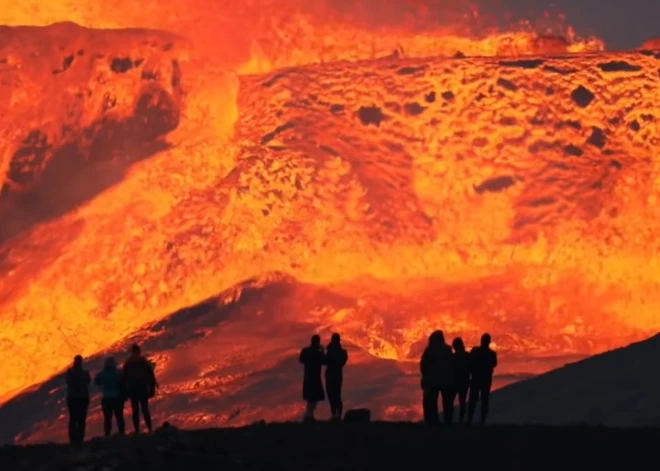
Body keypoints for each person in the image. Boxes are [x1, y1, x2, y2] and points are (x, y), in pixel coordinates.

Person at [419, 330, 454, 425]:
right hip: (446, 380)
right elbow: (452, 363)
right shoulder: (447, 349)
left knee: (431, 403)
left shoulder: (429, 350)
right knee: (447, 403)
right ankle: (448, 421)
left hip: (432, 381)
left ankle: (433, 421)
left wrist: (425, 376)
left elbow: (423, 365)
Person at [122, 344, 157, 434]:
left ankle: (138, 430)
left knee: (136, 410)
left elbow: (124, 378)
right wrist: (152, 387)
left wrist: (125, 391)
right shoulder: (143, 362)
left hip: (134, 389)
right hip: (141, 389)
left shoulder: (128, 363)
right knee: (143, 409)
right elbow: (150, 375)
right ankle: (149, 429)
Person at [467, 333, 498, 425]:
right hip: (486, 380)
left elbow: (470, 362)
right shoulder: (492, 354)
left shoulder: (475, 351)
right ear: (489, 342)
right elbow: (494, 364)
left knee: (473, 400)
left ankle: (469, 420)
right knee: (484, 401)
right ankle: (482, 421)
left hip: (476, 379)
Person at [94, 356, 126, 436]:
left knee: (108, 418)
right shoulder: (119, 372)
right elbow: (124, 381)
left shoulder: (103, 373)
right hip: (117, 398)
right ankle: (122, 434)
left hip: (107, 398)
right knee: (119, 417)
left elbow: (96, 381)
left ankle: (107, 435)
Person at [299, 335, 326, 421]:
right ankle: (309, 415)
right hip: (315, 378)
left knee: (310, 398)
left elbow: (301, 359)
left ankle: (309, 415)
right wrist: (323, 351)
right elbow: (324, 361)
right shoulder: (318, 353)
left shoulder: (305, 351)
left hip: (308, 377)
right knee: (314, 398)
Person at [65, 355, 91, 445]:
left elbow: (68, 381)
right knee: (81, 420)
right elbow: (88, 381)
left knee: (73, 419)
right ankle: (79, 439)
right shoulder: (85, 373)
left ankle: (73, 440)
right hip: (83, 398)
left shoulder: (70, 373)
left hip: (73, 399)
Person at [325, 333, 348, 420]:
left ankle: (336, 414)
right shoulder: (340, 352)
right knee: (333, 395)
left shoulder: (339, 352)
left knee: (334, 395)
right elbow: (325, 361)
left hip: (333, 375)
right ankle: (335, 414)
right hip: (334, 375)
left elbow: (326, 361)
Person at [451, 337, 471, 424]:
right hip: (464, 381)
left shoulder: (453, 357)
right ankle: (461, 420)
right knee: (462, 401)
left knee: (450, 401)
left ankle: (450, 420)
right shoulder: (467, 356)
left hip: (455, 382)